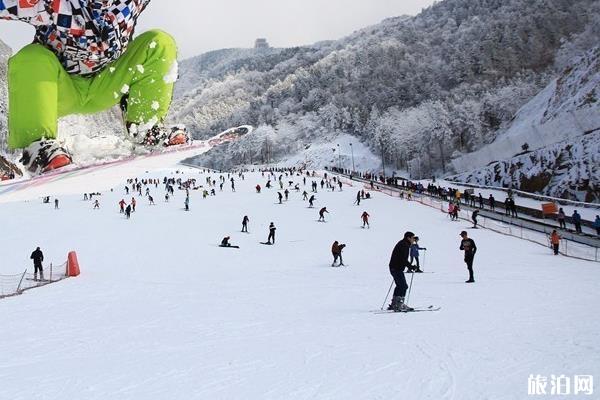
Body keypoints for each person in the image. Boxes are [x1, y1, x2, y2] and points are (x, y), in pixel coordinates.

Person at [1, 1, 182, 174]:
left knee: (159, 43)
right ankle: (38, 147)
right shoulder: (46, 4)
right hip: (56, 88)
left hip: (107, 83)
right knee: (30, 58)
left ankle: (145, 128)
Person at [387, 232, 415, 312]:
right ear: (408, 238)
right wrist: (411, 266)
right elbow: (403, 259)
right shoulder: (404, 245)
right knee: (403, 286)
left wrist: (409, 266)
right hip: (396, 268)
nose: (413, 240)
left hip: (394, 267)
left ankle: (395, 304)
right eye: (413, 238)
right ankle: (399, 304)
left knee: (399, 285)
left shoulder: (403, 244)